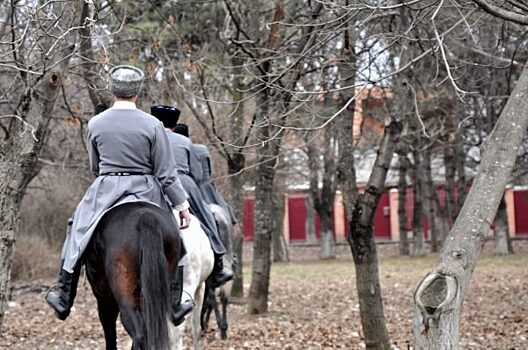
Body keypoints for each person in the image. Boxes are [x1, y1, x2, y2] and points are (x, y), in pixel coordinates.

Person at [45, 65, 192, 325]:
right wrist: (182, 205)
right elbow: (166, 173)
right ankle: (175, 302)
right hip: (147, 191)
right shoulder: (153, 124)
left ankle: (63, 295)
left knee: (76, 229)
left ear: (112, 90)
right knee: (175, 239)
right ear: (137, 93)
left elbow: (95, 165)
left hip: (107, 188)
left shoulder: (96, 123)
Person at [150, 106, 234, 292]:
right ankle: (219, 259)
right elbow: (196, 172)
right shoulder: (184, 141)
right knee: (206, 217)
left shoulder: (149, 138)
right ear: (174, 124)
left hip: (154, 184)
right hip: (184, 183)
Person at [191, 142, 238, 227]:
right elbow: (210, 171)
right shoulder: (202, 149)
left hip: (195, 187)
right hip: (207, 187)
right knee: (224, 211)